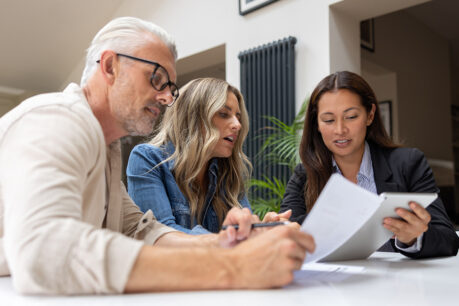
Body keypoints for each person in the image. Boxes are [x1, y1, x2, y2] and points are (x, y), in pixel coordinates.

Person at [0, 17, 315, 295]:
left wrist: (229, 242)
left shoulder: (105, 148)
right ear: (110, 66)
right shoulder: (57, 119)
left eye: (170, 87)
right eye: (156, 79)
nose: (166, 98)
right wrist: (231, 266)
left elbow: (142, 230)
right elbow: (44, 252)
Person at [280, 71, 459, 259]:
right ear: (317, 123)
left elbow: (448, 239)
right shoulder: (304, 174)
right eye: (329, 120)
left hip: (398, 284)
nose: (340, 130)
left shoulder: (408, 164)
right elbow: (286, 229)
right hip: (332, 283)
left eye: (351, 116)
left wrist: (413, 238)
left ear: (370, 115)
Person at [127, 78, 252, 234]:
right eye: (223, 114)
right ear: (193, 117)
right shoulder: (147, 158)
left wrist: (260, 230)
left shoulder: (229, 170)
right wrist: (223, 240)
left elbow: (243, 233)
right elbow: (160, 234)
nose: (238, 125)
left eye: (238, 117)